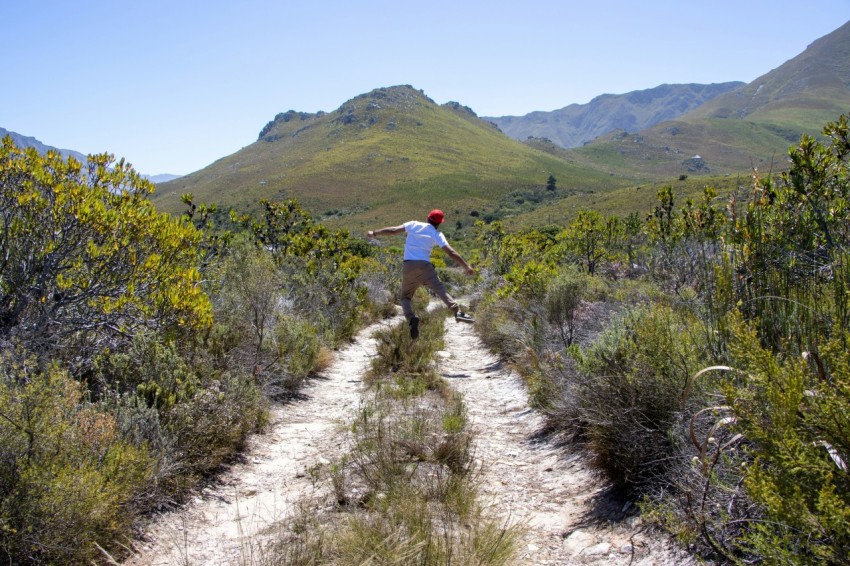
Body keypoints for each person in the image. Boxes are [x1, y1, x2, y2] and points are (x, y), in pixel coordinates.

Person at [368, 209, 475, 339]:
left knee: (405, 298)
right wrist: (466, 266)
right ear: (440, 223)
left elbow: (393, 230)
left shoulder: (413, 224)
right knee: (440, 289)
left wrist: (374, 233)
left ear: (427, 218)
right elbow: (451, 252)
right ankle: (457, 312)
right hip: (425, 267)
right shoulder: (437, 234)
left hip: (409, 266)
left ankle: (411, 318)